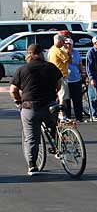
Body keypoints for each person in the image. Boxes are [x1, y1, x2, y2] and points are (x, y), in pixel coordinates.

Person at [10, 44, 63, 176]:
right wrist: (53, 93)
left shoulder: (22, 69)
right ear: (41, 54)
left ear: (29, 54)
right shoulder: (51, 67)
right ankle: (58, 145)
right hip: (50, 105)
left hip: (30, 107)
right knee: (54, 125)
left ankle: (32, 165)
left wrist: (18, 101)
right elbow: (59, 84)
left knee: (32, 138)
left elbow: (13, 90)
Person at [48, 34, 71, 121]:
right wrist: (67, 50)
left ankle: (56, 113)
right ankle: (62, 115)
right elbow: (68, 59)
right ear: (59, 41)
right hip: (61, 76)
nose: (64, 43)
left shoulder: (51, 49)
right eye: (63, 41)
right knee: (62, 97)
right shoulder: (58, 51)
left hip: (53, 75)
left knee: (57, 96)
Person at [64, 38, 85, 122]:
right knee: (66, 100)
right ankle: (68, 117)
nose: (68, 46)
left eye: (69, 44)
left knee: (77, 100)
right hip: (66, 80)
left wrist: (82, 73)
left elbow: (79, 64)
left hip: (76, 79)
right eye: (66, 44)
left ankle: (79, 117)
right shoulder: (62, 52)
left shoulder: (76, 53)